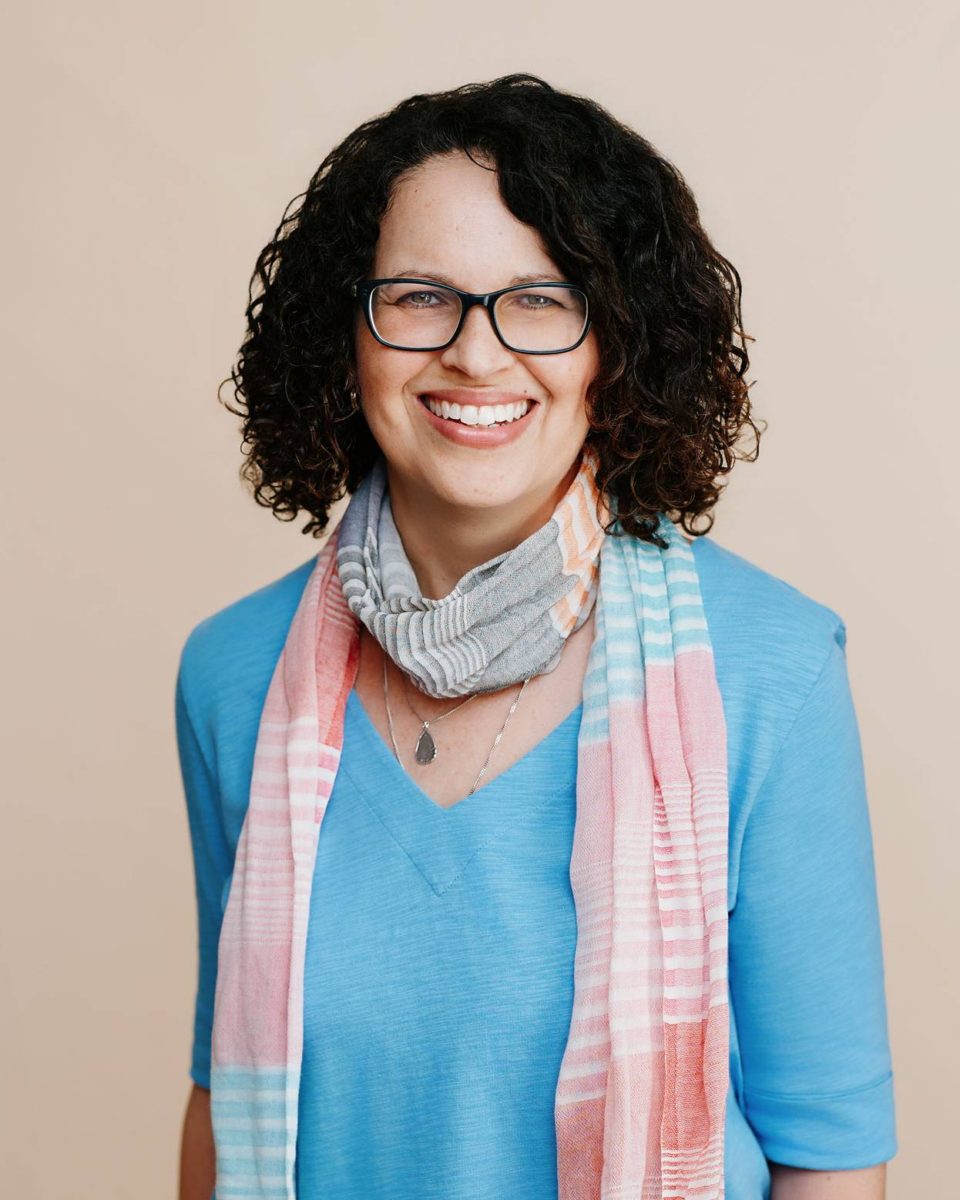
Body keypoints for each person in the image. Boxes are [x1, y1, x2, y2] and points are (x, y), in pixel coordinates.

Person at [176, 74, 897, 1200]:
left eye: (544, 299)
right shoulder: (230, 678)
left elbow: (832, 1160)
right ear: (345, 330)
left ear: (616, 342)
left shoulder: (776, 671)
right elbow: (227, 1097)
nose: (475, 354)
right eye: (421, 297)